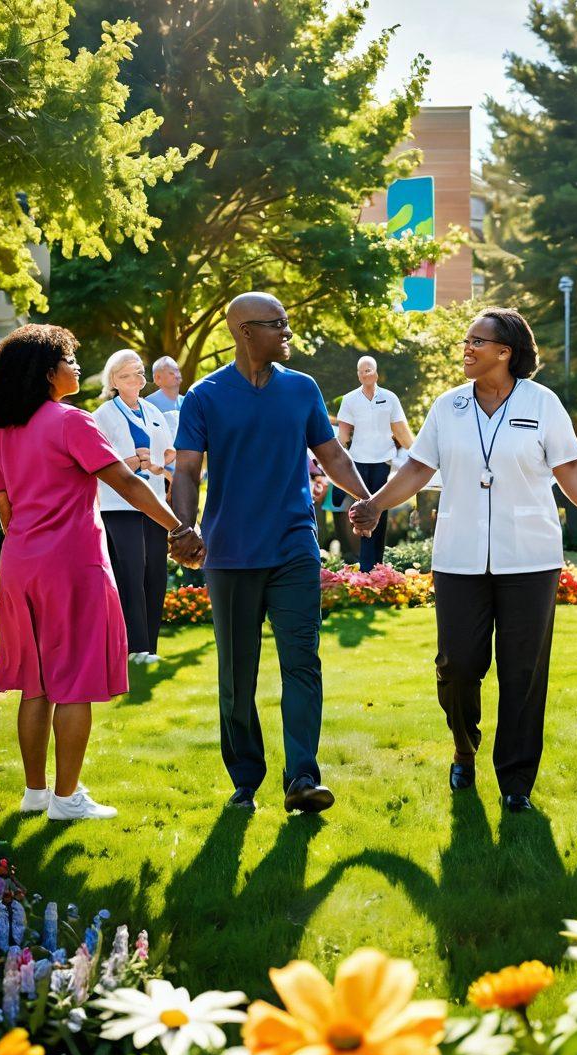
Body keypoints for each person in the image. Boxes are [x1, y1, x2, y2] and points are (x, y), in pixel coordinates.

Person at [349, 308, 577, 812]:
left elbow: (570, 468)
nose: (467, 348)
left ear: (506, 351)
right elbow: (417, 468)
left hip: (530, 558)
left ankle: (516, 781)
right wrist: (374, 503)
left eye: (478, 341)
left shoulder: (542, 404)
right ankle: (463, 746)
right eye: (466, 339)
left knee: (524, 672)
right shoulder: (447, 406)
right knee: (457, 665)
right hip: (459, 557)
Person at [170, 292, 375, 815]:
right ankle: (245, 778)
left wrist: (365, 500)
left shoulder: (302, 388)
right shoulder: (204, 395)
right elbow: (189, 469)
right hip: (230, 553)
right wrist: (183, 526)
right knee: (237, 672)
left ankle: (303, 776)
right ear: (244, 331)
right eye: (277, 325)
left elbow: (331, 453)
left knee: (302, 663)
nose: (288, 333)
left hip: (293, 548)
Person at [0, 324, 183, 821]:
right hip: (72, 564)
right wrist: (179, 530)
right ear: (48, 373)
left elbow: (6, 515)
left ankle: (34, 793)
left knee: (38, 685)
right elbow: (130, 486)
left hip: (22, 565)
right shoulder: (72, 422)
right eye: (70, 360)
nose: (77, 367)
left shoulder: (3, 434)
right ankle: (67, 800)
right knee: (74, 682)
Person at [94, 352, 176, 665]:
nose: (136, 381)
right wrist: (133, 463)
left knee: (155, 572)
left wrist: (156, 464)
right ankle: (134, 648)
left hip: (153, 503)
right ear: (113, 380)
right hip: (119, 505)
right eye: (127, 375)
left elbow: (168, 454)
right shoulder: (103, 414)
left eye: (139, 374)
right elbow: (104, 461)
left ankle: (149, 648)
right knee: (130, 570)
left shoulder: (153, 410)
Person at [337, 356, 414, 570]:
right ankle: (365, 566)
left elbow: (402, 432)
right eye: (361, 371)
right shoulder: (350, 400)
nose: (364, 374)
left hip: (383, 461)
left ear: (376, 374)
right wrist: (331, 462)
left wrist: (420, 455)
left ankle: (377, 565)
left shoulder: (390, 398)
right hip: (358, 463)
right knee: (361, 510)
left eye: (368, 370)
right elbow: (342, 437)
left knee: (379, 509)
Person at [145, 355, 183, 438]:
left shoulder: (187, 401)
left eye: (177, 371)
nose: (176, 375)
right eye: (171, 373)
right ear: (157, 378)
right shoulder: (149, 403)